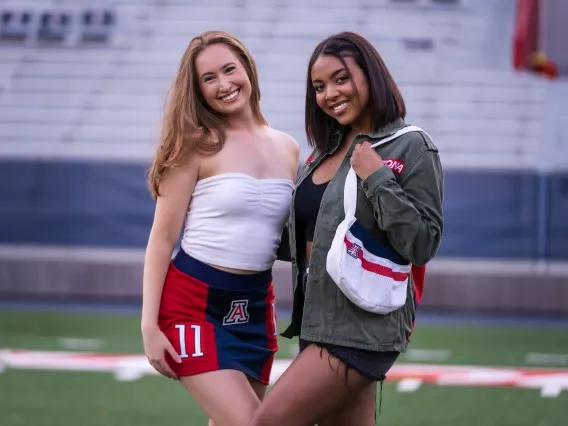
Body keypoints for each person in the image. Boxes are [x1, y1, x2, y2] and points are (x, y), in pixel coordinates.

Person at [249, 31, 444, 426]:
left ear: (370, 74)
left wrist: (376, 178)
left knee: (266, 422)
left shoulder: (410, 146)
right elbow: (299, 240)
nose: (329, 93)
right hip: (316, 322)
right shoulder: (321, 153)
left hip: (361, 328)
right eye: (319, 86)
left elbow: (422, 243)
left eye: (341, 78)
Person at [141, 30, 300, 426]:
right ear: (197, 90)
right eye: (209, 78)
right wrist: (148, 326)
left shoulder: (288, 147)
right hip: (193, 306)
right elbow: (161, 242)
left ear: (248, 68)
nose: (224, 84)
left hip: (255, 306)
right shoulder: (195, 145)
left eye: (230, 69)